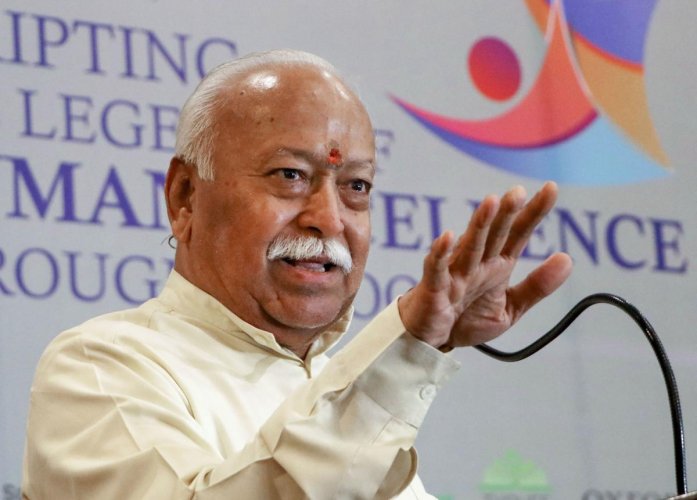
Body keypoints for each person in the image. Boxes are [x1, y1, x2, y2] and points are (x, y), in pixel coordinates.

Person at [22, 49, 573, 499]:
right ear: (185, 196)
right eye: (290, 175)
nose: (329, 219)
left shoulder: (342, 388)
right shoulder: (100, 365)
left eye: (355, 186)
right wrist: (404, 348)